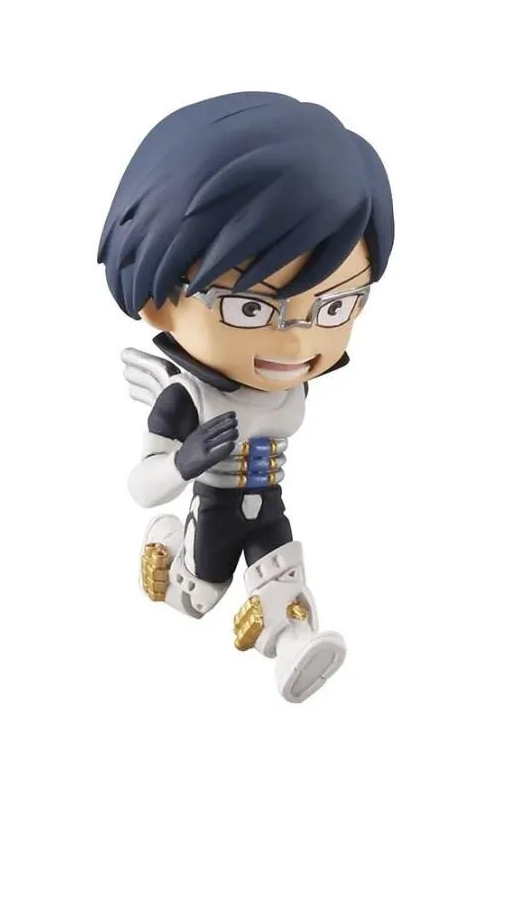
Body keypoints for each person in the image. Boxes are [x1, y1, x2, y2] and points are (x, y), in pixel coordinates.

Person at [98, 91, 394, 702]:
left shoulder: (293, 380)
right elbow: (141, 483)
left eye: (335, 306)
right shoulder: (186, 399)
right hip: (211, 511)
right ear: (158, 302)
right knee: (198, 597)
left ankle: (295, 647)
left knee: (283, 579)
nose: (298, 339)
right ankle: (166, 552)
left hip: (268, 506)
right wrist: (186, 460)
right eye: (252, 308)